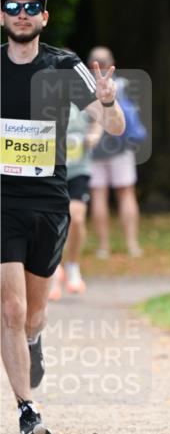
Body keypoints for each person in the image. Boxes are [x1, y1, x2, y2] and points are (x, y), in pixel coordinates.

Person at [1, 0, 125, 434]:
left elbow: (112, 125)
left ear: (44, 16)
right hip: (2, 201)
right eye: (13, 5)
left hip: (48, 200)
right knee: (8, 308)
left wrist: (109, 103)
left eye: (31, 6)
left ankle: (34, 341)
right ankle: (27, 409)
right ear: (2, 15)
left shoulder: (64, 65)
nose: (22, 12)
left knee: (32, 314)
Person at [88, 46, 143, 258]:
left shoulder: (83, 87)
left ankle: (103, 247)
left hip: (94, 151)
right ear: (111, 63)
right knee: (126, 193)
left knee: (98, 195)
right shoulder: (123, 85)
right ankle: (132, 245)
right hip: (122, 148)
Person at [49, 101, 94, 299]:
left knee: (76, 218)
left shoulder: (81, 88)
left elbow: (102, 115)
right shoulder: (42, 89)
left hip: (78, 170)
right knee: (50, 222)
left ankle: (73, 265)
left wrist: (95, 134)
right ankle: (52, 270)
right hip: (50, 168)